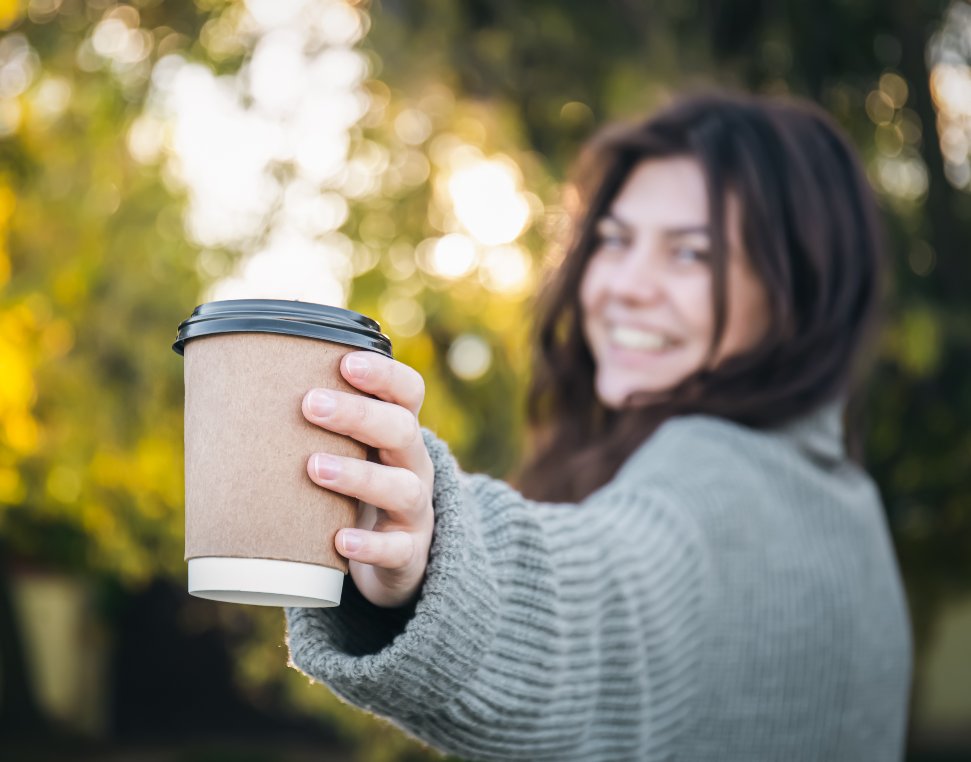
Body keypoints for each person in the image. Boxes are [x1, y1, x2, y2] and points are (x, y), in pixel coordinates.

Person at [284, 91, 913, 761]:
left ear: (798, 292)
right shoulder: (848, 505)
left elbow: (609, 601)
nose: (624, 285)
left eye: (692, 254)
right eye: (614, 240)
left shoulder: (714, 477)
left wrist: (431, 548)